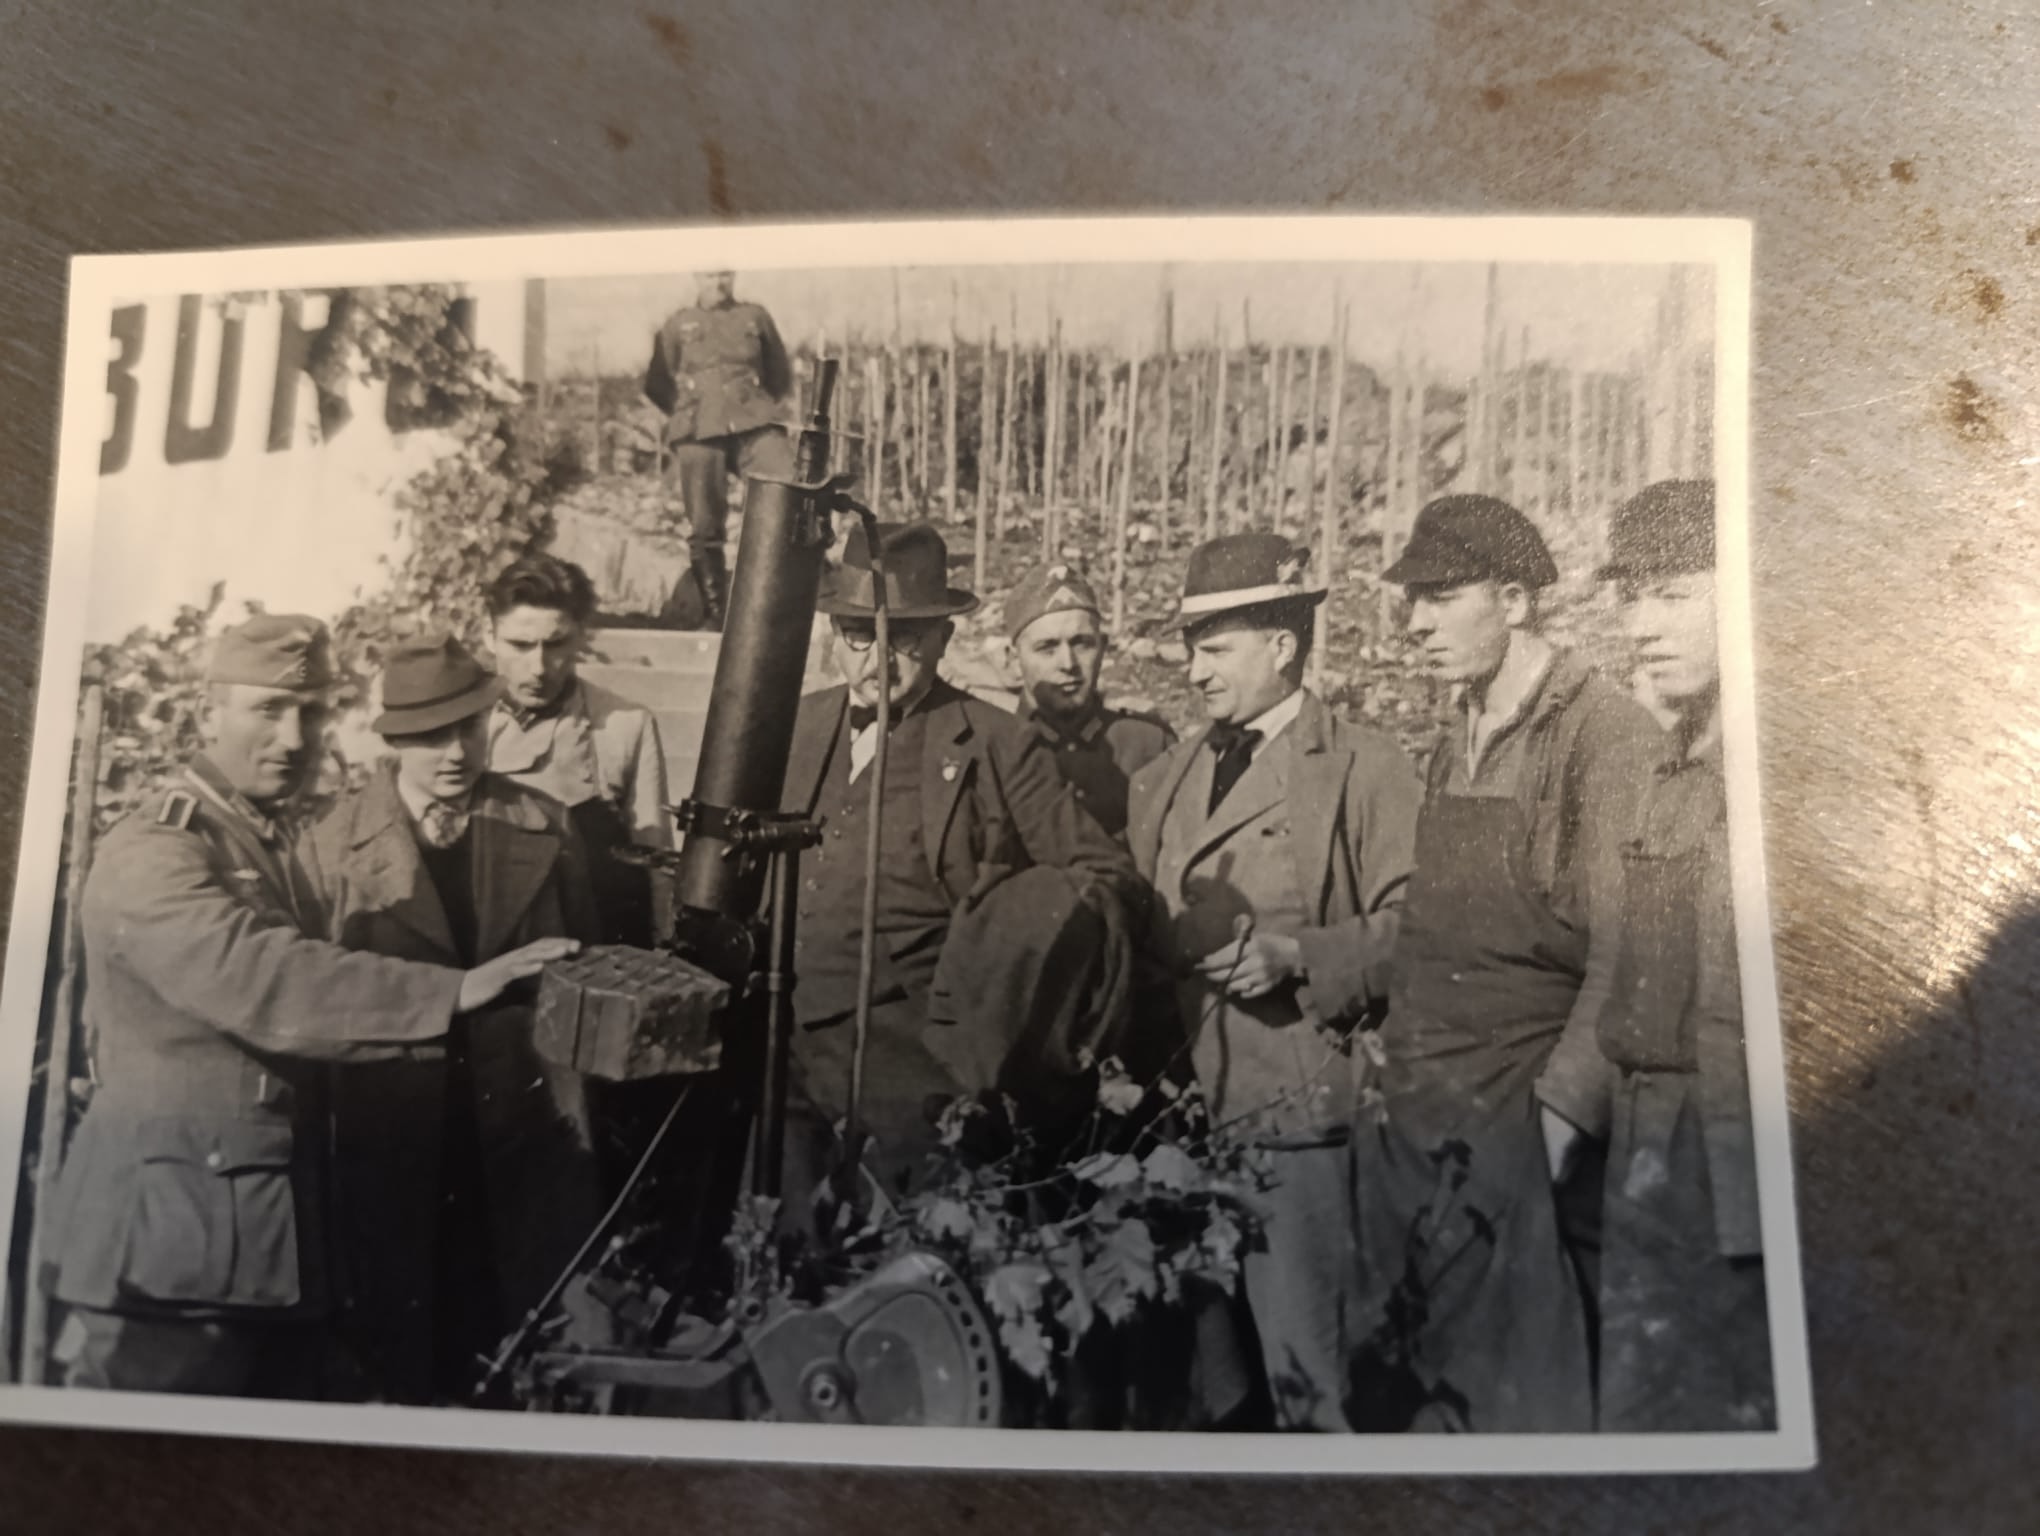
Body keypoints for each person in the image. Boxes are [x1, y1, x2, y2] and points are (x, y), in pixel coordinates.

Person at [44, 616, 573, 1399]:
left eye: (313, 711)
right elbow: (263, 979)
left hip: (245, 1247)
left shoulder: (250, 842)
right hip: (169, 1255)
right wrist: (454, 989)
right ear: (205, 714)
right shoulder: (157, 851)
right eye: (267, 710)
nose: (294, 737)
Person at [1347, 495, 1668, 1433]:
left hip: (1522, 1124)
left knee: (1516, 1396)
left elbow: (1629, 950)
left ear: (1518, 600)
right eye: (1412, 601)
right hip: (1422, 1112)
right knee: (1407, 1383)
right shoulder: (1458, 733)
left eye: (1442, 598)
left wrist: (1562, 1115)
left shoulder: (1601, 737)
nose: (1414, 625)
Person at [1125, 532, 1422, 1432]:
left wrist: (1299, 957)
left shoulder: (1366, 768)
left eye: (1216, 648)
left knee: (1308, 1386)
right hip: (1180, 1125)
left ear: (1283, 645)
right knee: (1205, 1394)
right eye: (1190, 649)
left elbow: (1422, 928)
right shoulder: (1163, 777)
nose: (1196, 672)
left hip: (1298, 1126)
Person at [778, 521, 1143, 1207]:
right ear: (833, 636)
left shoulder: (997, 744)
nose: (876, 660)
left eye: (904, 639)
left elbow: (1102, 875)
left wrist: (999, 969)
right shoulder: (796, 726)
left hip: (917, 1057)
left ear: (944, 640)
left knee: (915, 1263)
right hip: (786, 1047)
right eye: (859, 636)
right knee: (785, 1247)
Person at [298, 636, 604, 1403]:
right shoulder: (329, 849)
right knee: (407, 1354)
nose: (454, 753)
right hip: (394, 1137)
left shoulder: (546, 824)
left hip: (525, 1131)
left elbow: (590, 965)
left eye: (467, 728)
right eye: (429, 736)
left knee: (530, 1345)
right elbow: (316, 1000)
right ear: (393, 740)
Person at [1595, 479, 1774, 1430]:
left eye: (1672, 593)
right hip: (1653, 1148)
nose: (1640, 623)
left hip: (1741, 1165)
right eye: (1630, 596)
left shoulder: (1784, 773)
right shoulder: (1672, 768)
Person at [485, 552, 670, 946]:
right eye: (519, 645)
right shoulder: (463, 728)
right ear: (489, 637)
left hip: (591, 943)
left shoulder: (624, 724)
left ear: (582, 637)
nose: (537, 667)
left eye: (555, 644)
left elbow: (655, 859)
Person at [643, 269, 794, 630]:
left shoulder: (754, 317)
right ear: (696, 278)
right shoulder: (677, 324)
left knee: (785, 484)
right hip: (698, 427)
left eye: (725, 274)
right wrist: (684, 412)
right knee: (705, 522)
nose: (719, 283)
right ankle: (715, 613)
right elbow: (657, 383)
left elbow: (779, 374)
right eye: (711, 276)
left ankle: (775, 596)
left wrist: (755, 406)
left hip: (751, 420)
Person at [1005, 561, 1175, 839]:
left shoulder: (1147, 745)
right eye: (1047, 648)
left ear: (1103, 647)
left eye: (1082, 643)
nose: (1068, 663)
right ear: (1013, 660)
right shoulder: (996, 751)